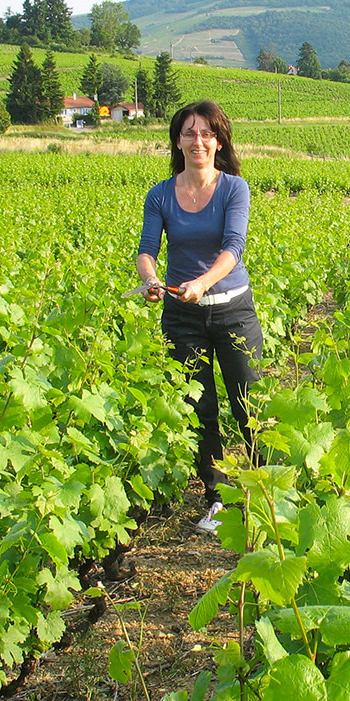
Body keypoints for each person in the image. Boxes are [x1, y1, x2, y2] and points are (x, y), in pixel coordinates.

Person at [136, 100, 263, 534]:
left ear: (220, 141)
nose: (198, 141)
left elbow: (234, 248)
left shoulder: (233, 189)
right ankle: (217, 498)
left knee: (248, 403)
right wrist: (152, 280)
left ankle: (264, 493)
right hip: (182, 317)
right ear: (177, 140)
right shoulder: (160, 194)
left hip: (232, 311)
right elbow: (147, 250)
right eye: (189, 133)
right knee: (200, 407)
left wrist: (204, 283)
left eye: (207, 133)